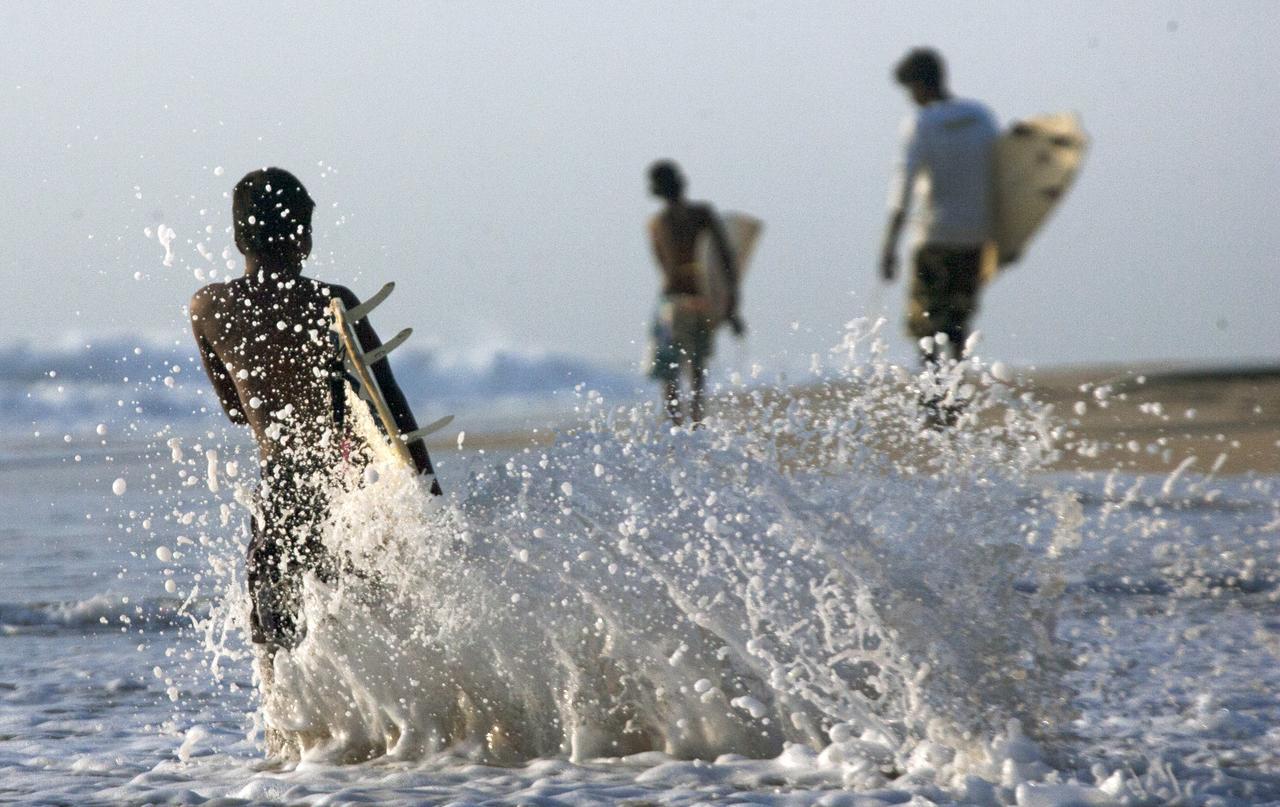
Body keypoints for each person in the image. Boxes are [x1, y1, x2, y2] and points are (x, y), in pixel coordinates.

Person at [189, 168, 439, 667]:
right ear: (303, 235)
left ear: (238, 236)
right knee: (353, 641)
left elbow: (237, 411)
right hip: (343, 500)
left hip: (277, 495)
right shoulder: (332, 303)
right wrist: (429, 496)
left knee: (277, 653)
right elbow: (390, 407)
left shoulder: (208, 307)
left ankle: (296, 743)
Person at [879, 48, 999, 371]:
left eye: (910, 89)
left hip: (934, 238)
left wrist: (889, 247)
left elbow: (902, 189)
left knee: (927, 326)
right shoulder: (981, 117)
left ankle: (932, 403)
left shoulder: (922, 123)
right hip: (975, 237)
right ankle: (955, 401)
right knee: (958, 324)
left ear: (920, 84)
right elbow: (1002, 174)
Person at [646, 160, 742, 426]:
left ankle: (675, 426)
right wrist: (731, 305)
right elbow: (725, 259)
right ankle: (697, 422)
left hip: (674, 302)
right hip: (704, 300)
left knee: (670, 368)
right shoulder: (703, 214)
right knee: (697, 368)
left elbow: (666, 270)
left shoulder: (657, 223)